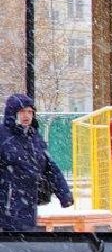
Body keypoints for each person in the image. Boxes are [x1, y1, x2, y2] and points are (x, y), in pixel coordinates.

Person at [0, 94, 73, 232]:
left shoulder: (34, 137)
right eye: (21, 111)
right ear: (12, 114)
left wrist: (64, 194)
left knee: (25, 245)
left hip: (28, 208)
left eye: (29, 112)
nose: (26, 115)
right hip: (6, 209)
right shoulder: (3, 136)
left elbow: (50, 167)